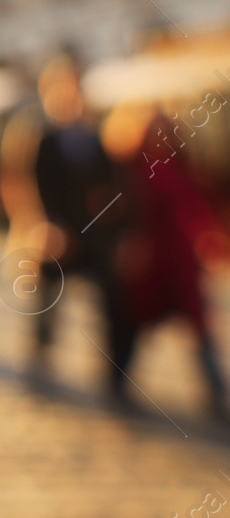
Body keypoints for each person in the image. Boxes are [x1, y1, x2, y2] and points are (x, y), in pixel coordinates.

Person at [106, 106, 228, 419]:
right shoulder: (132, 167)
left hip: (180, 257)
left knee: (199, 324)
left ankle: (215, 393)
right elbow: (123, 209)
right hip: (150, 259)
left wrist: (209, 240)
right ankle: (118, 379)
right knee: (139, 320)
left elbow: (196, 205)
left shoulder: (181, 165)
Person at [25, 56, 128, 397]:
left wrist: (113, 228)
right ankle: (41, 359)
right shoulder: (45, 141)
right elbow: (34, 187)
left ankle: (115, 375)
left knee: (111, 298)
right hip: (58, 237)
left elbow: (110, 187)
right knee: (47, 302)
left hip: (91, 235)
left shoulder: (93, 139)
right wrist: (49, 226)